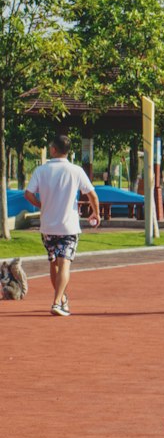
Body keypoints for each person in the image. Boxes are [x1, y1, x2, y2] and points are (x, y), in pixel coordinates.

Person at [23, 134, 100, 317]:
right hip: (69, 226)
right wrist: (95, 212)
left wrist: (42, 205)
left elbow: (28, 193)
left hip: (48, 225)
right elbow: (92, 195)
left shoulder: (41, 170)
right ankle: (57, 302)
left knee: (53, 263)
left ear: (53, 149)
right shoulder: (76, 171)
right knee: (64, 262)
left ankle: (62, 299)